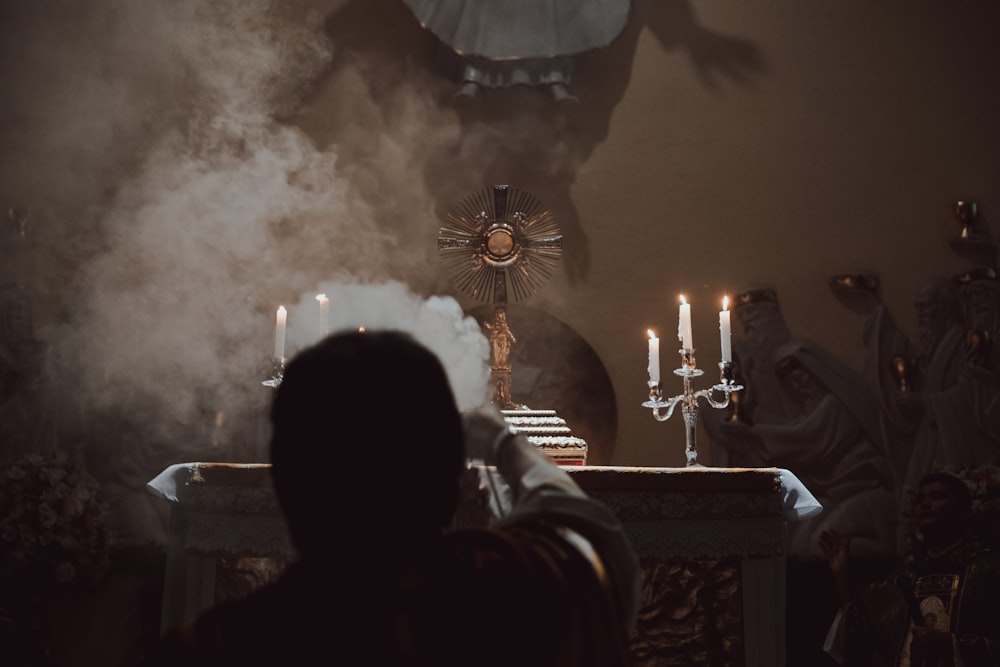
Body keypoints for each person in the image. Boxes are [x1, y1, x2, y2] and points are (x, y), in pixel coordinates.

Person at [147, 329, 640, 666]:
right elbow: (584, 530)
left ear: (287, 482)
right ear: (451, 483)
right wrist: (502, 442)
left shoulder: (218, 648)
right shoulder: (519, 591)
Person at [820, 471, 1000, 666]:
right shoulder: (901, 580)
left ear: (964, 509)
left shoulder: (987, 570)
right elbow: (861, 635)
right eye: (920, 499)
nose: (925, 504)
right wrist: (841, 576)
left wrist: (949, 644)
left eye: (937, 496)